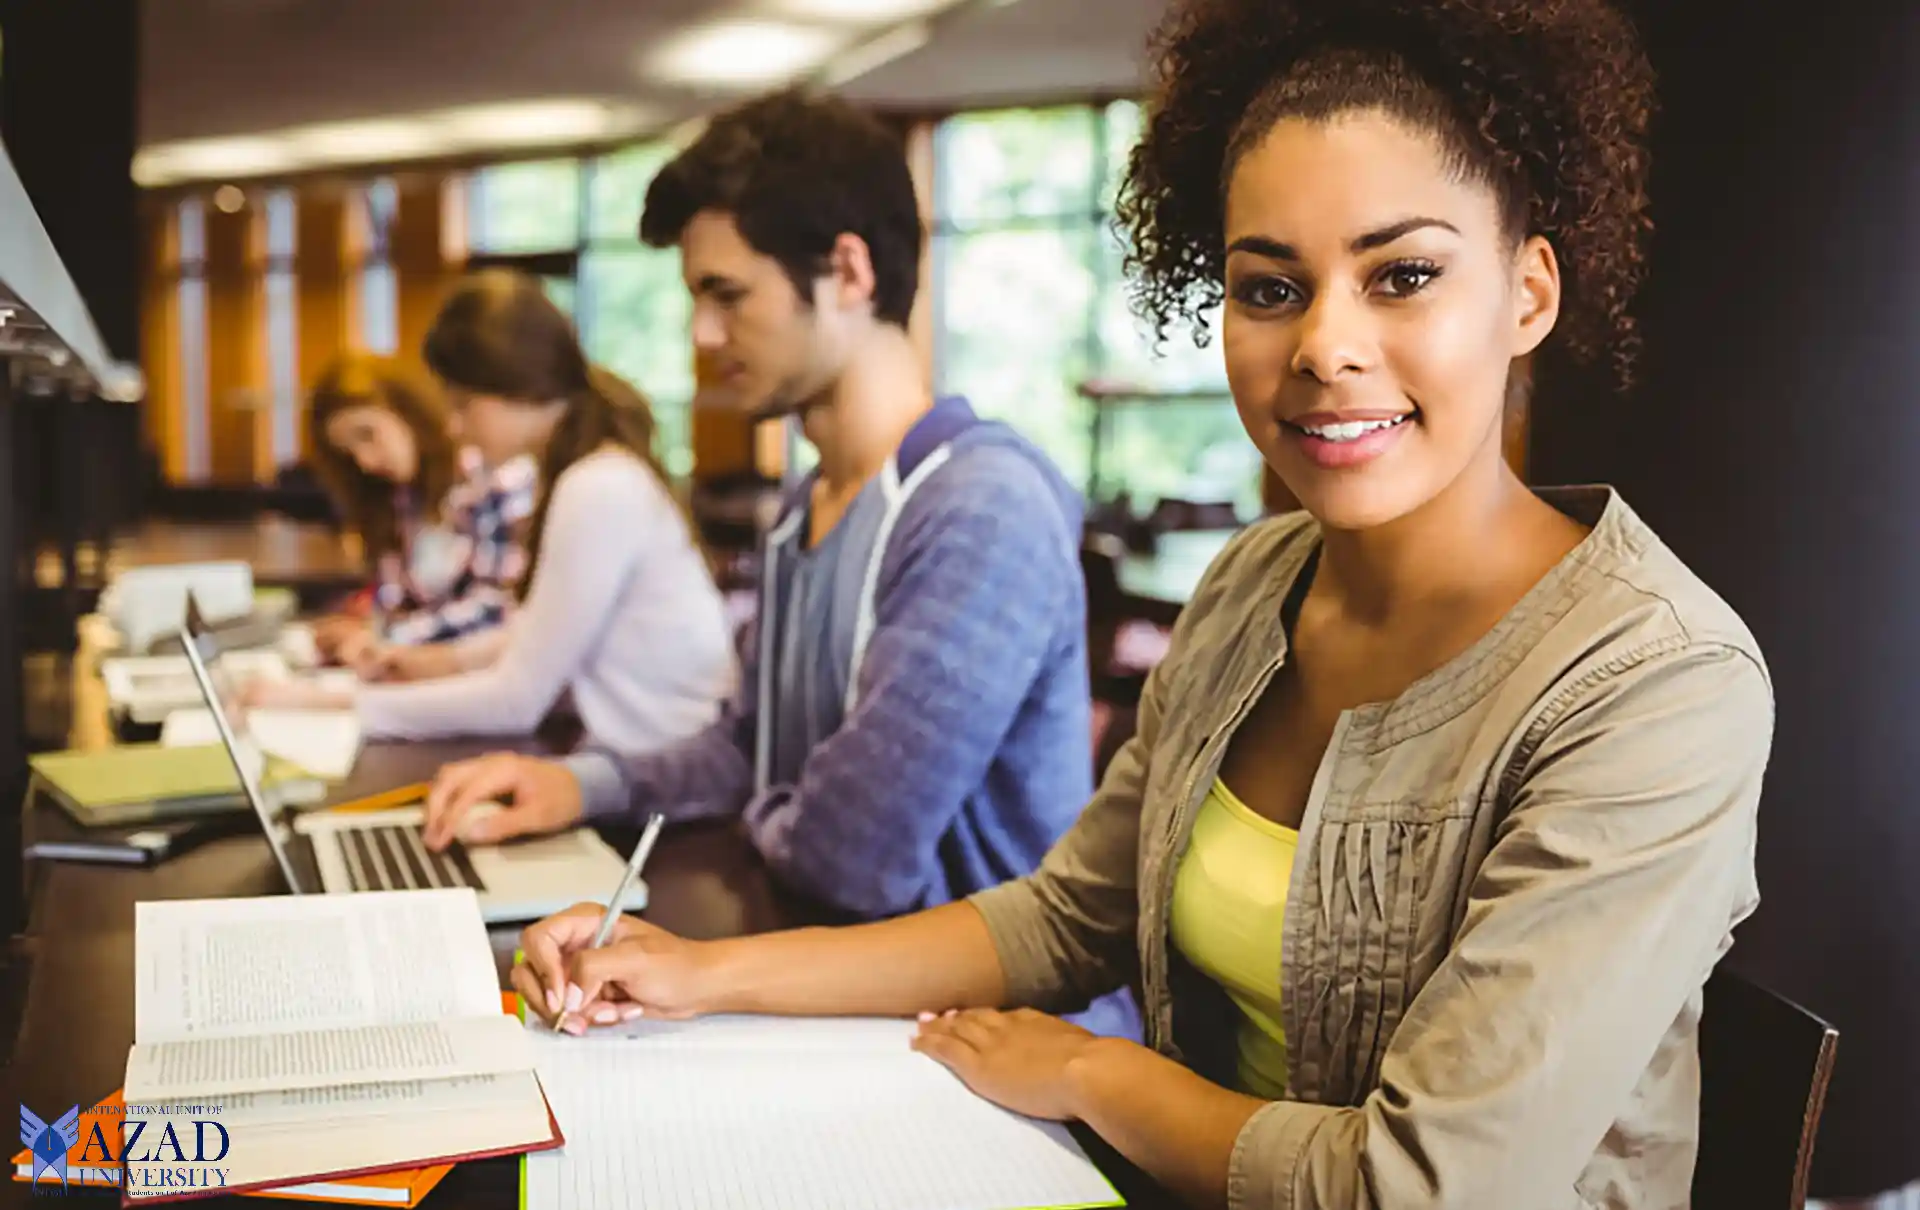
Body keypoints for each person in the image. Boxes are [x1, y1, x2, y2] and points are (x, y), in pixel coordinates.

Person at [507, 0, 1776, 1205]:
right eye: (1271, 287)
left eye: (1402, 276)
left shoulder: (1654, 682)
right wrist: (694, 973)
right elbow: (1065, 917)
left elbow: (1428, 1185)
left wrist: (1093, 1071)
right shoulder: (1249, 588)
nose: (1324, 345)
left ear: (1529, 295)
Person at [421, 90, 1129, 1033]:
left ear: (846, 271)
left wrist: (768, 803)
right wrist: (577, 783)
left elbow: (851, 860)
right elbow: (741, 750)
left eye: (727, 295)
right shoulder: (807, 504)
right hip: (844, 1002)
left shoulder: (978, 507)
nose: (703, 337)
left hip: (993, 1046)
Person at [248, 271, 736, 753]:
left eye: (463, 405)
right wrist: (438, 661)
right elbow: (540, 633)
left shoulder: (598, 487)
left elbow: (516, 701)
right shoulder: (588, 472)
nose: (456, 427)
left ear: (517, 386)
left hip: (663, 781)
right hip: (636, 761)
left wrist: (333, 704)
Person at [303, 352, 537, 678]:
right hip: (420, 683)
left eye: (368, 434)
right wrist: (365, 630)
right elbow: (403, 605)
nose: (366, 461)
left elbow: (497, 611)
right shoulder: (399, 502)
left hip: (486, 684)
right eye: (349, 453)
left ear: (409, 413)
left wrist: (385, 639)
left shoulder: (492, 480)